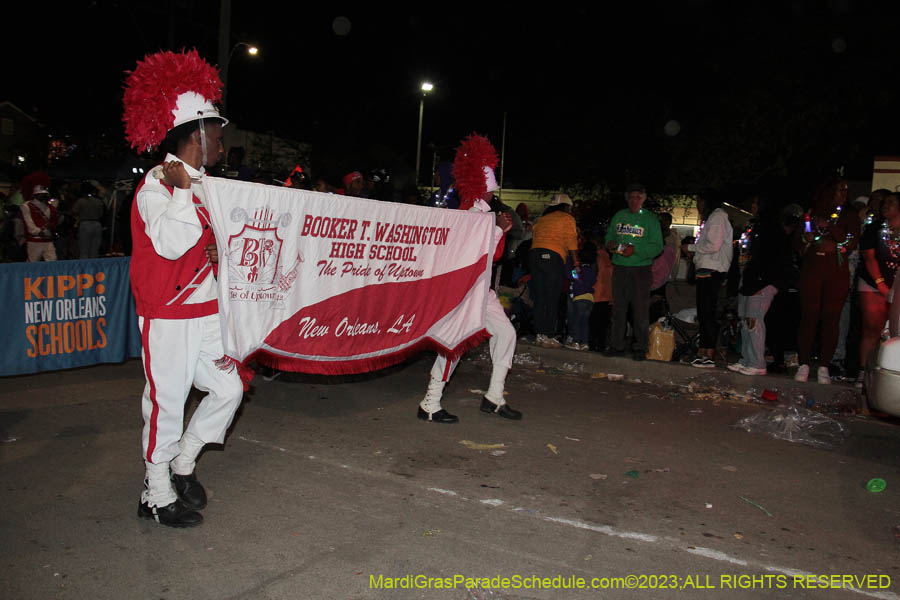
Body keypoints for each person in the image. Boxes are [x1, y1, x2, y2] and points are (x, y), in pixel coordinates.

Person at [122, 49, 244, 528]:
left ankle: (184, 462)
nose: (221, 139)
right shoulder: (158, 184)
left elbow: (206, 241)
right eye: (216, 131)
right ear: (196, 133)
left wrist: (217, 253)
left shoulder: (205, 182)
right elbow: (171, 245)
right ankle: (154, 494)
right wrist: (183, 192)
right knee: (166, 404)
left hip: (206, 310)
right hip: (167, 315)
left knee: (229, 388)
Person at [418, 133, 521, 423]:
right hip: (468, 292)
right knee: (455, 345)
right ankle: (430, 402)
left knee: (506, 334)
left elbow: (494, 256)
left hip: (482, 290)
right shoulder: (473, 213)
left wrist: (500, 228)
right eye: (491, 187)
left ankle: (494, 397)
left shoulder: (482, 212)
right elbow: (479, 255)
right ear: (482, 188)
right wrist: (500, 230)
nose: (493, 192)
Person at [794, 177, 859, 384]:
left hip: (836, 271)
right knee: (808, 316)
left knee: (832, 318)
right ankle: (803, 363)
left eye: (846, 190)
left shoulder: (849, 214)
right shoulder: (812, 213)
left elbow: (850, 241)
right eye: (839, 189)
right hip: (812, 270)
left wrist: (831, 227)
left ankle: (824, 366)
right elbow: (800, 240)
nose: (843, 193)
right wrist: (809, 237)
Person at [728, 195, 788, 375]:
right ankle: (747, 359)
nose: (752, 206)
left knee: (754, 320)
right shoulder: (756, 226)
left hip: (762, 282)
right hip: (750, 278)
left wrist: (762, 281)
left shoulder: (772, 228)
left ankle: (757, 363)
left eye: (755, 203)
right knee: (746, 321)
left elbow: (772, 258)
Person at [604, 183, 663, 361]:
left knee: (640, 309)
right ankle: (616, 345)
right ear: (626, 198)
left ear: (643, 198)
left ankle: (640, 347)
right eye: (631, 197)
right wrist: (611, 244)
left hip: (641, 269)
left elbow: (657, 246)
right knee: (618, 308)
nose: (634, 200)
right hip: (620, 267)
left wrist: (635, 250)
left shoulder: (651, 220)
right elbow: (609, 236)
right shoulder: (619, 216)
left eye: (638, 197)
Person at [683, 190, 733, 368]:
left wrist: (690, 247)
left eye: (699, 201)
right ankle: (702, 351)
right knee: (704, 311)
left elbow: (713, 245)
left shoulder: (718, 216)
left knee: (708, 311)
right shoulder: (712, 218)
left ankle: (708, 353)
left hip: (713, 271)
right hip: (707, 269)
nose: (698, 205)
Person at [856, 192, 900, 386]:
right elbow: (869, 257)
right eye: (884, 203)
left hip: (897, 286)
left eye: (890, 203)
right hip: (872, 284)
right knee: (872, 329)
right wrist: (881, 284)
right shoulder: (875, 228)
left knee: (894, 333)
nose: (884, 206)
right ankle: (862, 373)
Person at [529, 194, 579, 348]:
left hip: (534, 256)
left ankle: (539, 334)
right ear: (566, 206)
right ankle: (549, 335)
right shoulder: (566, 218)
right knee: (552, 298)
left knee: (540, 298)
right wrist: (576, 262)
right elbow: (571, 241)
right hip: (553, 257)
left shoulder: (542, 219)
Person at [564, 242, 597, 350]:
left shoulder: (578, 270)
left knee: (577, 320)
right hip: (590, 299)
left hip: (579, 298)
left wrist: (570, 259)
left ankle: (576, 342)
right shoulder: (592, 271)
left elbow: (570, 274)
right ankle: (585, 343)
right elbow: (593, 281)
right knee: (585, 322)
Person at [19, 172, 58, 262]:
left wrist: (52, 227)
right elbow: (29, 223)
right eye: (41, 194)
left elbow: (53, 221)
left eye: (45, 194)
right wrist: (39, 231)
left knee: (53, 261)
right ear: (35, 194)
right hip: (34, 240)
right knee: (33, 262)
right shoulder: (27, 206)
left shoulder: (49, 206)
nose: (44, 196)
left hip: (48, 240)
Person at [73, 181, 106, 258]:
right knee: (95, 251)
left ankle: (84, 268)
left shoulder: (80, 201)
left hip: (85, 224)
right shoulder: (98, 201)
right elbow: (101, 214)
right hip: (97, 224)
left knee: (84, 250)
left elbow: (74, 212)